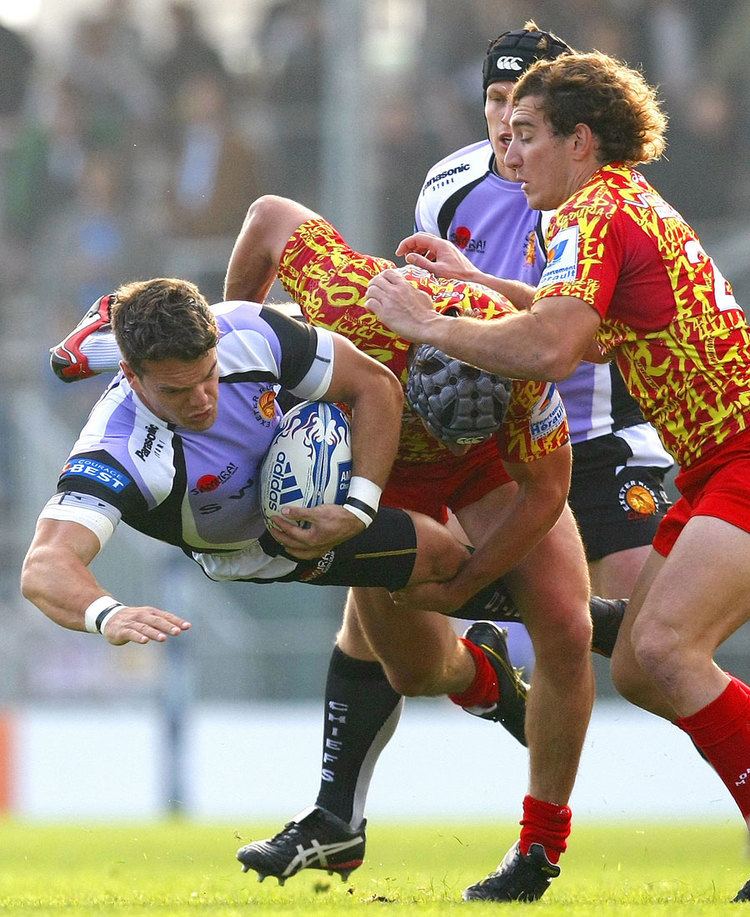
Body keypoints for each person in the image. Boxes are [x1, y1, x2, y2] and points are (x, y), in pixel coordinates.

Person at [365, 49, 750, 904]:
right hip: (713, 463)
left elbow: (550, 346)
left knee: (659, 649)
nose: (510, 144)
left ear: (580, 140)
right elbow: (584, 324)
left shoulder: (598, 213)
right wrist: (473, 285)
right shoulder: (601, 208)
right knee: (647, 667)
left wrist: (430, 320)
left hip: (743, 456)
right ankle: (540, 836)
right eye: (505, 125)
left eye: (529, 132)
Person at [222, 194, 595, 896]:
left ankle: (539, 850)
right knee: (418, 673)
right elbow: (269, 216)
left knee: (567, 623)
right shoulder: (352, 302)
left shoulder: (519, 361)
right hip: (378, 451)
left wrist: (464, 582)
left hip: (490, 466)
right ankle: (481, 675)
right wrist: (240, 351)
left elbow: (544, 491)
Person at [23, 278, 541, 648]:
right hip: (260, 544)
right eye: (177, 391)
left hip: (291, 434)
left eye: (208, 375)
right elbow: (44, 566)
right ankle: (501, 674)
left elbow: (375, 384)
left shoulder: (240, 331)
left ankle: (557, 629)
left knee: (343, 338)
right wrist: (105, 613)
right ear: (132, 378)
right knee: (438, 557)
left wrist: (359, 507)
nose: (203, 399)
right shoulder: (117, 450)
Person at [414, 22, 673, 600]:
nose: (507, 124)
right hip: (495, 437)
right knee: (403, 608)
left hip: (596, 434)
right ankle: (493, 674)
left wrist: (437, 317)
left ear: (568, 129)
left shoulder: (597, 201)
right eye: (496, 100)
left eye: (523, 109)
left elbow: (563, 344)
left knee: (643, 633)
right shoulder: (446, 187)